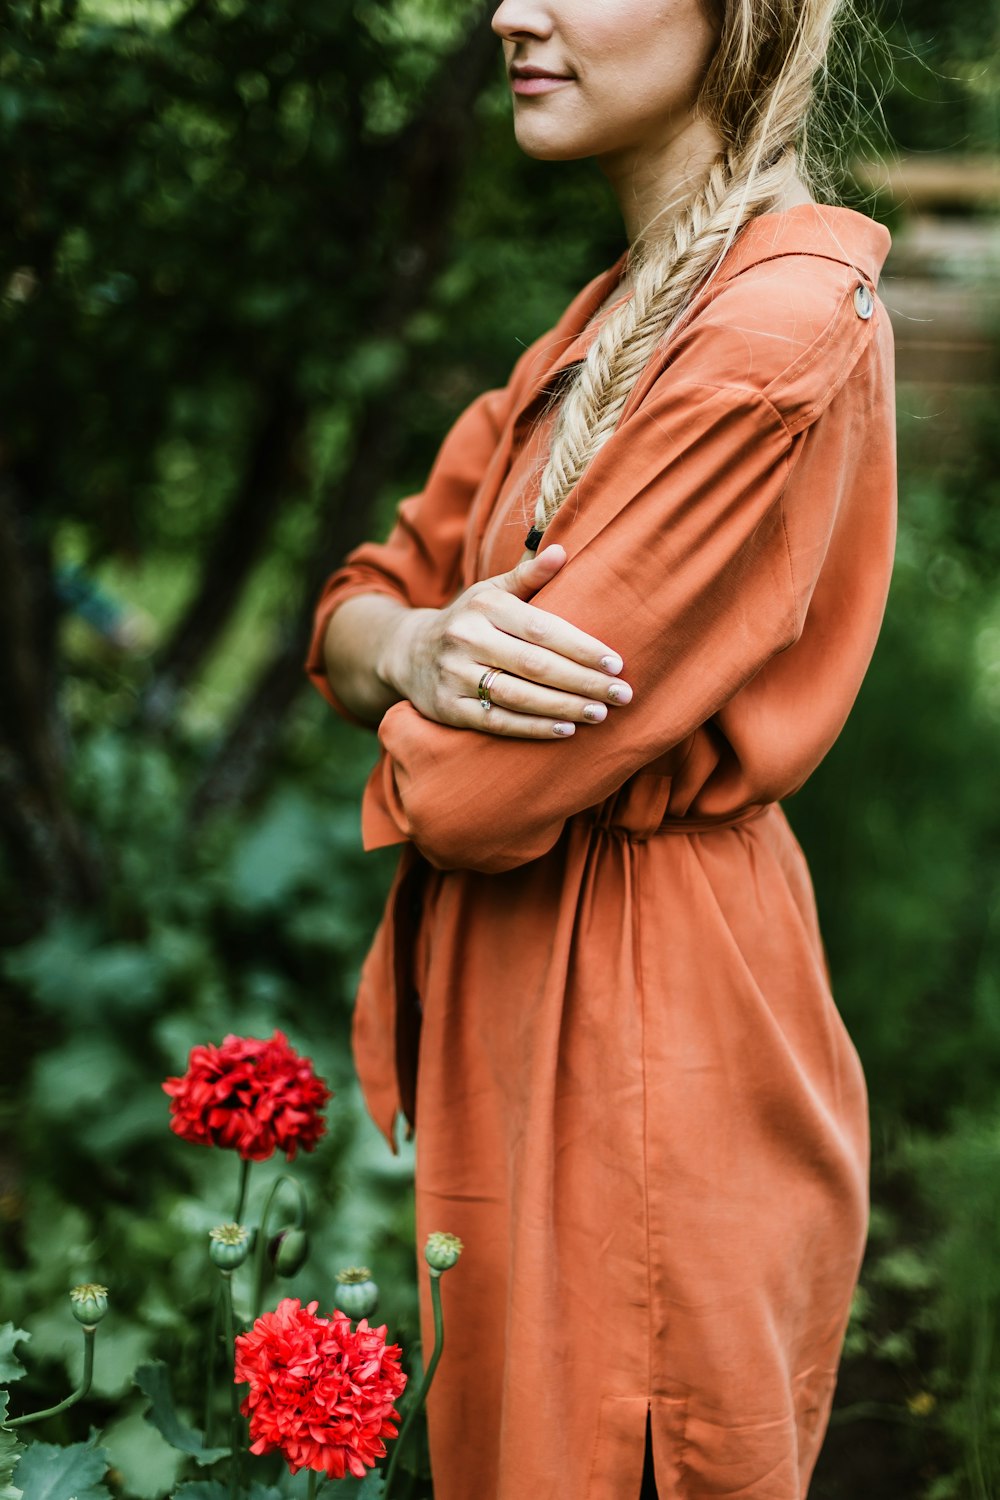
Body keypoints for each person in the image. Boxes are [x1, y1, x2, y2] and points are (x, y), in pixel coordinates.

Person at [305, 0, 896, 1495]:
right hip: (529, 1015)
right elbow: (357, 604)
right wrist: (420, 654)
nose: (512, 8)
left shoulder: (771, 331)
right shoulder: (605, 322)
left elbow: (471, 791)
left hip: (651, 1031)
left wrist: (408, 706)